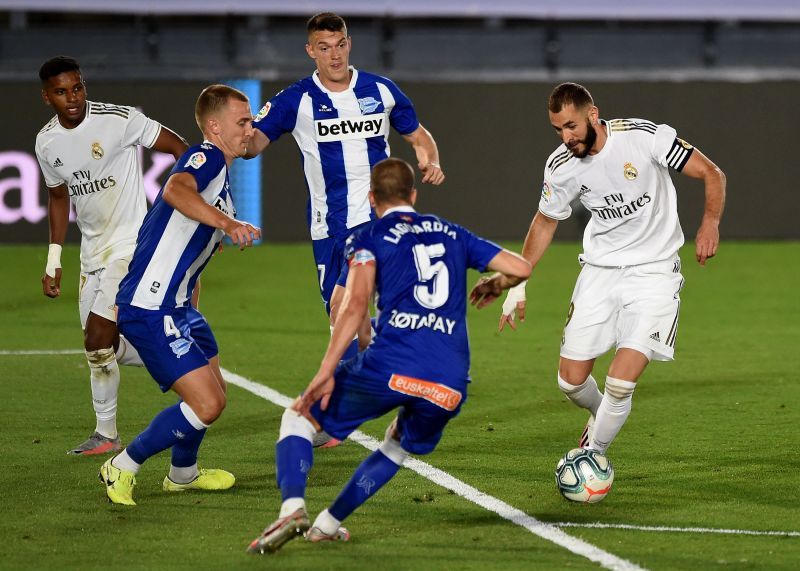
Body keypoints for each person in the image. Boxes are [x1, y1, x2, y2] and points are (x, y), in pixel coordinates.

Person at [246, 158, 530, 554]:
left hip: (392, 364)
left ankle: (293, 507)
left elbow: (356, 303)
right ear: (413, 195)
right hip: (450, 380)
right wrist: (497, 284)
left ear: (371, 198)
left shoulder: (368, 236)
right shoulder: (452, 232)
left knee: (298, 416)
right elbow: (521, 266)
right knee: (396, 446)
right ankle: (327, 525)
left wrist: (327, 370)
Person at [499, 82, 726, 455]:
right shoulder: (561, 166)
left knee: (621, 382)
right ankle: (601, 414)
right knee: (571, 382)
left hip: (654, 272)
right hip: (599, 272)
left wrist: (710, 223)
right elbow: (544, 221)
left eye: (571, 126)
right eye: (558, 129)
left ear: (592, 114)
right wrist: (518, 281)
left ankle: (593, 456)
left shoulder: (643, 137)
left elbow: (713, 173)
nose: (566, 137)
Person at [98, 84, 261, 505]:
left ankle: (183, 474)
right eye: (242, 122)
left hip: (180, 308)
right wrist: (228, 224)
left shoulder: (221, 178)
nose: (249, 129)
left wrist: (192, 304)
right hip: (152, 307)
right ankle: (122, 465)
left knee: (215, 398)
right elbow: (174, 189)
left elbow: (188, 250)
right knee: (205, 404)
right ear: (214, 126)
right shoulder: (203, 156)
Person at [246, 12, 445, 324]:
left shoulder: (381, 90)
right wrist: (231, 134)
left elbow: (418, 135)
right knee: (339, 316)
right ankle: (362, 370)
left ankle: (378, 369)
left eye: (340, 45)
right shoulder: (295, 100)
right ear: (310, 51)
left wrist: (430, 159)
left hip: (374, 218)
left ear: (349, 44)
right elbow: (252, 146)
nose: (334, 55)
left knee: (348, 306)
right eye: (324, 48)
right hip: (327, 224)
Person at [34, 56, 189, 456]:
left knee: (98, 335)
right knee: (100, 349)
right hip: (92, 254)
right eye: (62, 92)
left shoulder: (119, 120)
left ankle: (108, 434)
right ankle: (177, 353)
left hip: (132, 246)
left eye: (78, 87)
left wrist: (193, 210)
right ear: (46, 96)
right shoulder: (47, 142)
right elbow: (57, 197)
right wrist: (54, 260)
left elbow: (180, 149)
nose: (73, 98)